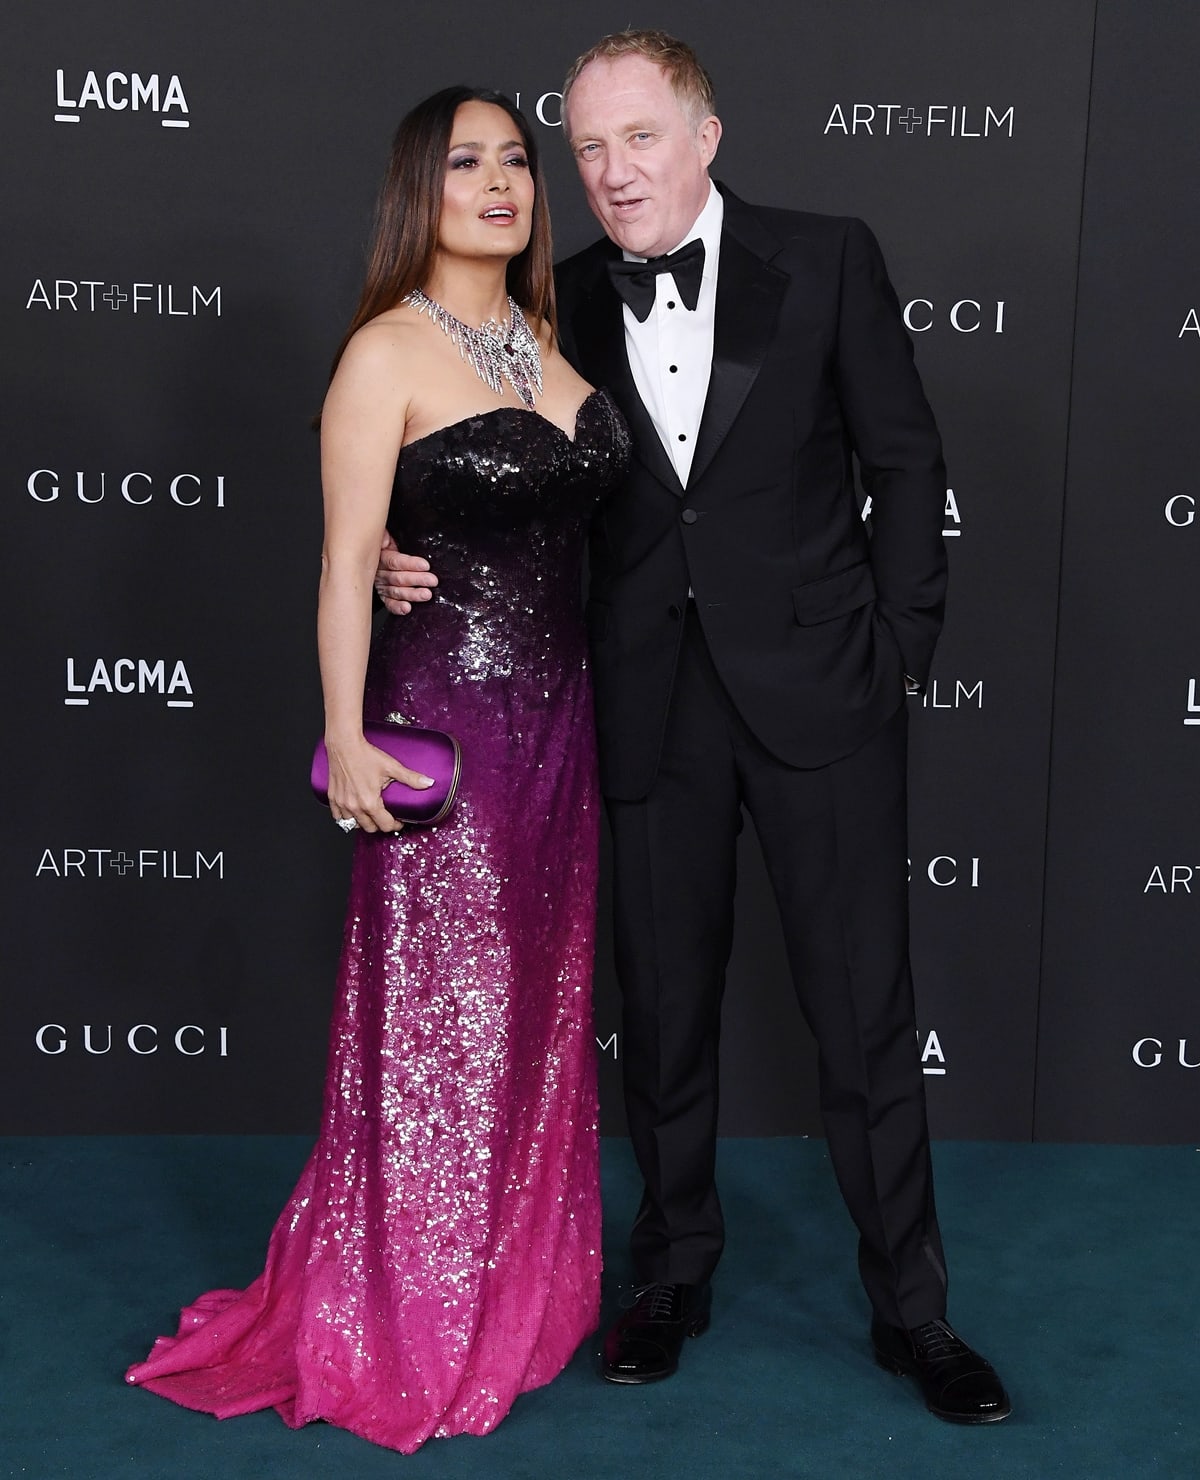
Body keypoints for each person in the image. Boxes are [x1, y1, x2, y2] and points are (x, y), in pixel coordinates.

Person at [375, 33, 1011, 1425]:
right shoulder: (558, 303)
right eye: (588, 150)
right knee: (662, 1022)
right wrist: (387, 548)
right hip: (646, 707)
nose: (610, 173)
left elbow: (907, 463)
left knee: (863, 1024)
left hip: (824, 702)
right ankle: (671, 1275)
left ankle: (915, 1311)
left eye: (638, 139)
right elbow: (479, 465)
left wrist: (900, 651)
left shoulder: (829, 254)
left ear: (705, 137)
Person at [124, 87, 629, 1454]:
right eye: (468, 163)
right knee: (437, 1033)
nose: (502, 182)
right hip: (446, 728)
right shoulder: (385, 354)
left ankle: (512, 1293)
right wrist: (346, 731)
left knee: (530, 1012)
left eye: (518, 161)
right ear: (421, 189)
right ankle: (409, 1319)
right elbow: (350, 563)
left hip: (562, 729)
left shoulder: (544, 337)